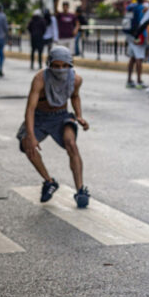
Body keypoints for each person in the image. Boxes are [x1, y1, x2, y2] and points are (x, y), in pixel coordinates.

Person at [17, 46, 90, 208]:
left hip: (61, 116)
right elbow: (30, 109)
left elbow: (75, 96)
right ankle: (49, 182)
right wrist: (31, 135)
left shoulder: (76, 79)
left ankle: (80, 190)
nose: (60, 70)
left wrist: (79, 116)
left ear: (71, 65)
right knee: (27, 145)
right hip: (39, 117)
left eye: (64, 66)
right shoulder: (40, 79)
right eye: (56, 66)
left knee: (71, 144)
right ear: (49, 64)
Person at [125, 0, 146, 89]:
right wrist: (144, 36)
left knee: (132, 57)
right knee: (139, 58)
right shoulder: (141, 8)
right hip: (138, 35)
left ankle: (129, 80)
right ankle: (139, 80)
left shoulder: (130, 7)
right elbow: (142, 22)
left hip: (129, 34)